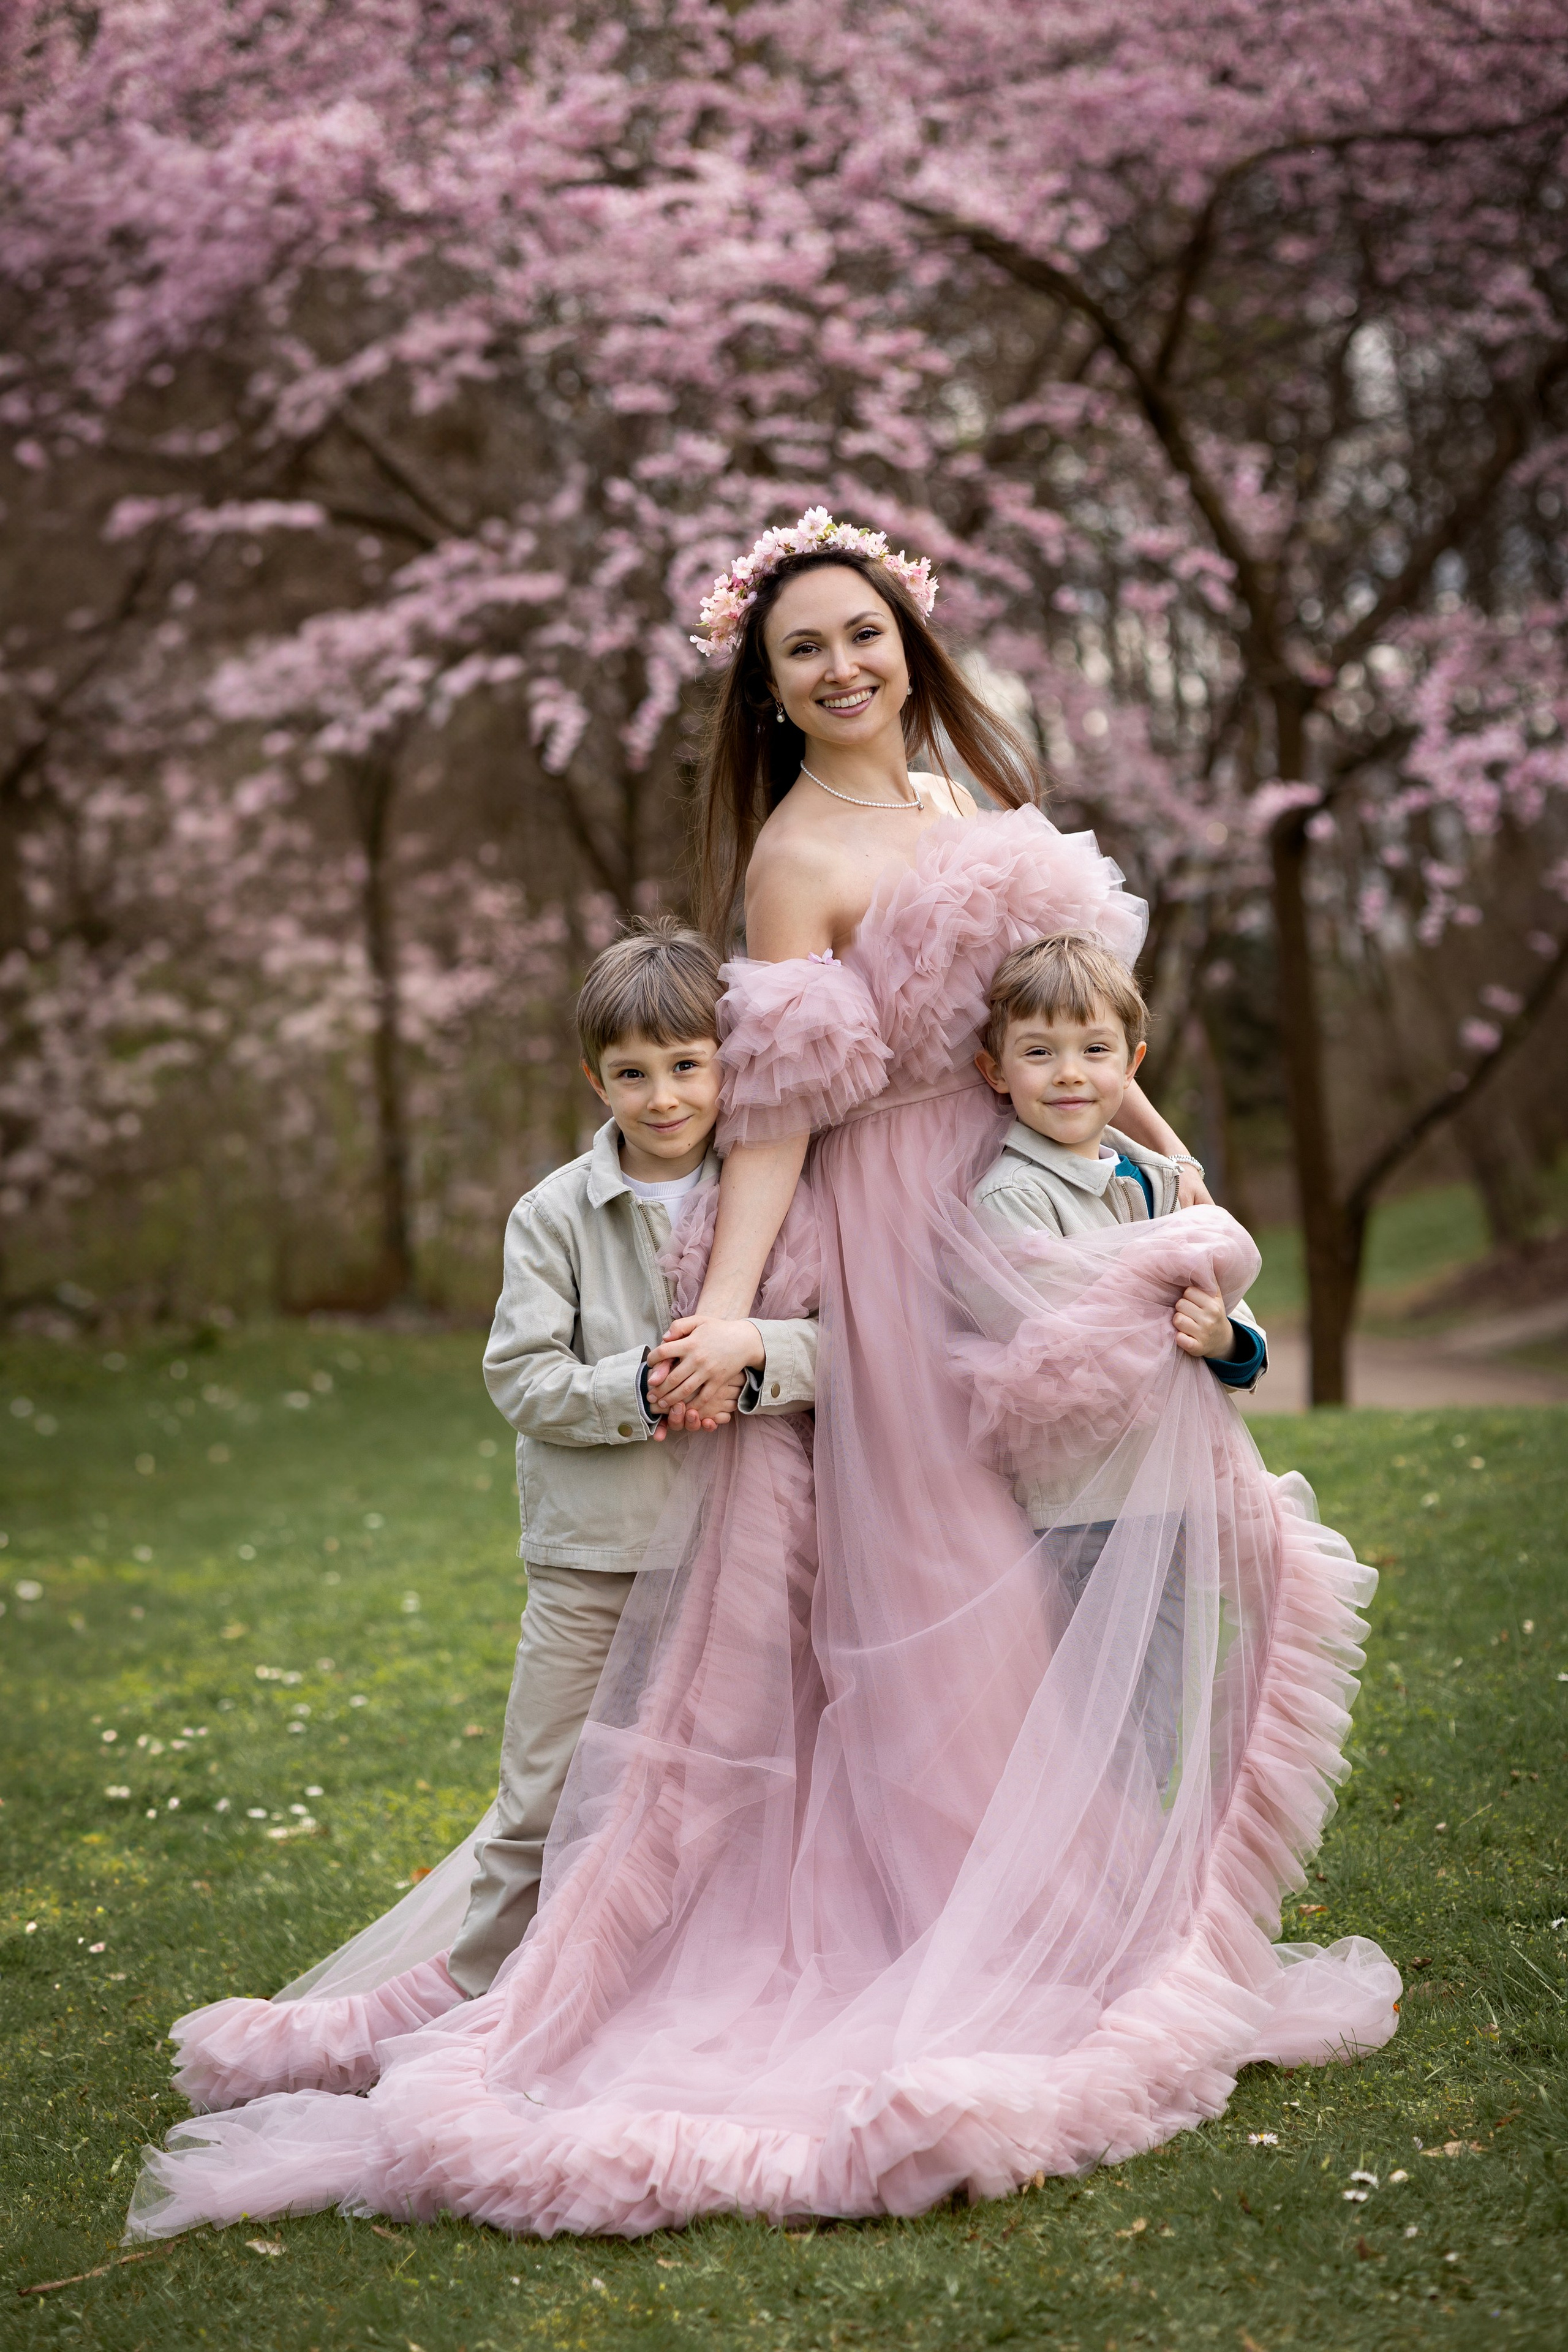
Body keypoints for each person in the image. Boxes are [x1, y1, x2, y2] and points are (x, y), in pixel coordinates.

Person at [129, 510, 1398, 2244]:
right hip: (887, 1235)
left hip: (1014, 1208)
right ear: (773, 691)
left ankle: (1069, 1907)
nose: (843, 666)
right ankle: (953, 1929)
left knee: (1086, 1560)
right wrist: (731, 1313)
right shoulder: (798, 859)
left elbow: (1067, 1027)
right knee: (948, 1597)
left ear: (912, 644)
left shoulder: (962, 800)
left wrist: (1173, 1172)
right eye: (804, 649)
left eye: (864, 633)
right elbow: (781, 1125)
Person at [448, 921, 817, 1997]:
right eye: (632, 1074)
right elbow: (521, 1375)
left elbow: (847, 1345)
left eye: (688, 1066)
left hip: (733, 1553)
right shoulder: (553, 1214)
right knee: (544, 1796)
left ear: (727, 1065)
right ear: (593, 1079)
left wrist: (752, 1361)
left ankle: (658, 2000)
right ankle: (479, 2004)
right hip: (594, 1559)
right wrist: (641, 1386)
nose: (663, 1097)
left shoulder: (774, 1190)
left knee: (718, 1796)